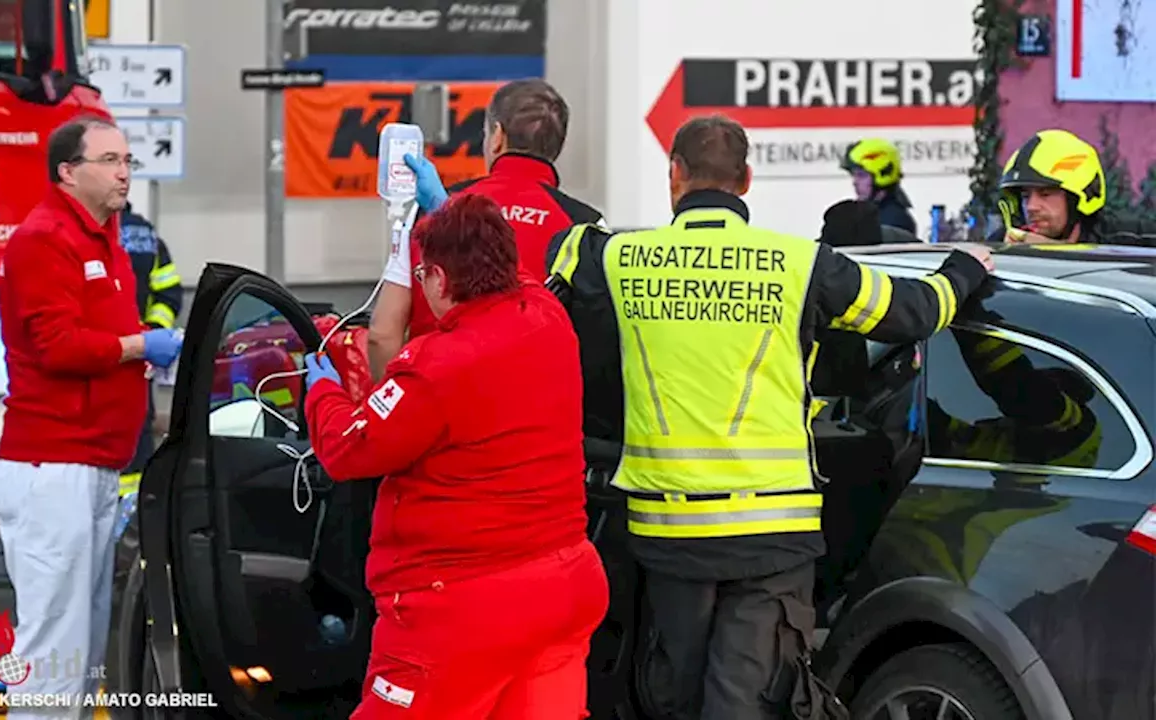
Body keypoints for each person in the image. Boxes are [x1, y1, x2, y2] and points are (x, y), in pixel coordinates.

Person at [545, 114, 994, 720]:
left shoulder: (619, 258)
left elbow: (550, 287)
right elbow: (909, 313)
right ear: (747, 179)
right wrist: (964, 269)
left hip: (668, 534)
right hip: (771, 535)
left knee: (670, 697)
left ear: (673, 175)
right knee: (747, 702)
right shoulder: (801, 264)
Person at [302, 193, 609, 719]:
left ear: (440, 280)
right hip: (563, 587)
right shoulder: (546, 315)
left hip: (461, 608)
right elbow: (504, 272)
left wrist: (322, 391)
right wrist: (455, 218)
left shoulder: (436, 368)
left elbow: (348, 447)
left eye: (422, 275)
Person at [0, 116, 182, 716]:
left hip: (96, 466)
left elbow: (99, 335)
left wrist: (135, 356)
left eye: (128, 159)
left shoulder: (108, 237)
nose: (124, 171)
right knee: (53, 652)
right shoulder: (44, 238)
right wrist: (137, 347)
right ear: (68, 172)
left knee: (81, 652)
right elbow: (56, 346)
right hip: (55, 468)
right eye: (109, 160)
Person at [367, 78, 606, 380]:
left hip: (434, 401)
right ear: (557, 147)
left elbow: (382, 333)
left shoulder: (432, 207)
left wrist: (385, 408)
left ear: (497, 136)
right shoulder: (587, 226)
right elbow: (598, 344)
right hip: (536, 410)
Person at [118, 201, 183, 498]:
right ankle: (138, 508)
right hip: (142, 350)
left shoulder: (95, 231)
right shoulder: (147, 234)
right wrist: (152, 334)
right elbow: (168, 292)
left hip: (107, 348)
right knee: (140, 423)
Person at [996, 128, 1156, 246]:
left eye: (1045, 194)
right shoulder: (1004, 243)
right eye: (1025, 196)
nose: (1030, 207)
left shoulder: (1120, 236)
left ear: (1079, 197)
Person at [840, 138, 916, 235]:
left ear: (883, 174)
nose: (854, 182)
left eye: (861, 175)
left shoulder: (893, 220)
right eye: (853, 175)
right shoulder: (868, 215)